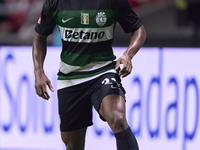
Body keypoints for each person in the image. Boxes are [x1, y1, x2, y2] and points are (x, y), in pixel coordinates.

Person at [32, 0, 146, 149]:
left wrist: (128, 55)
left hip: (103, 71)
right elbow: (40, 37)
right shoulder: (55, 2)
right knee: (73, 145)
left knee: (117, 118)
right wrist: (38, 72)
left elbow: (139, 29)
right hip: (70, 78)